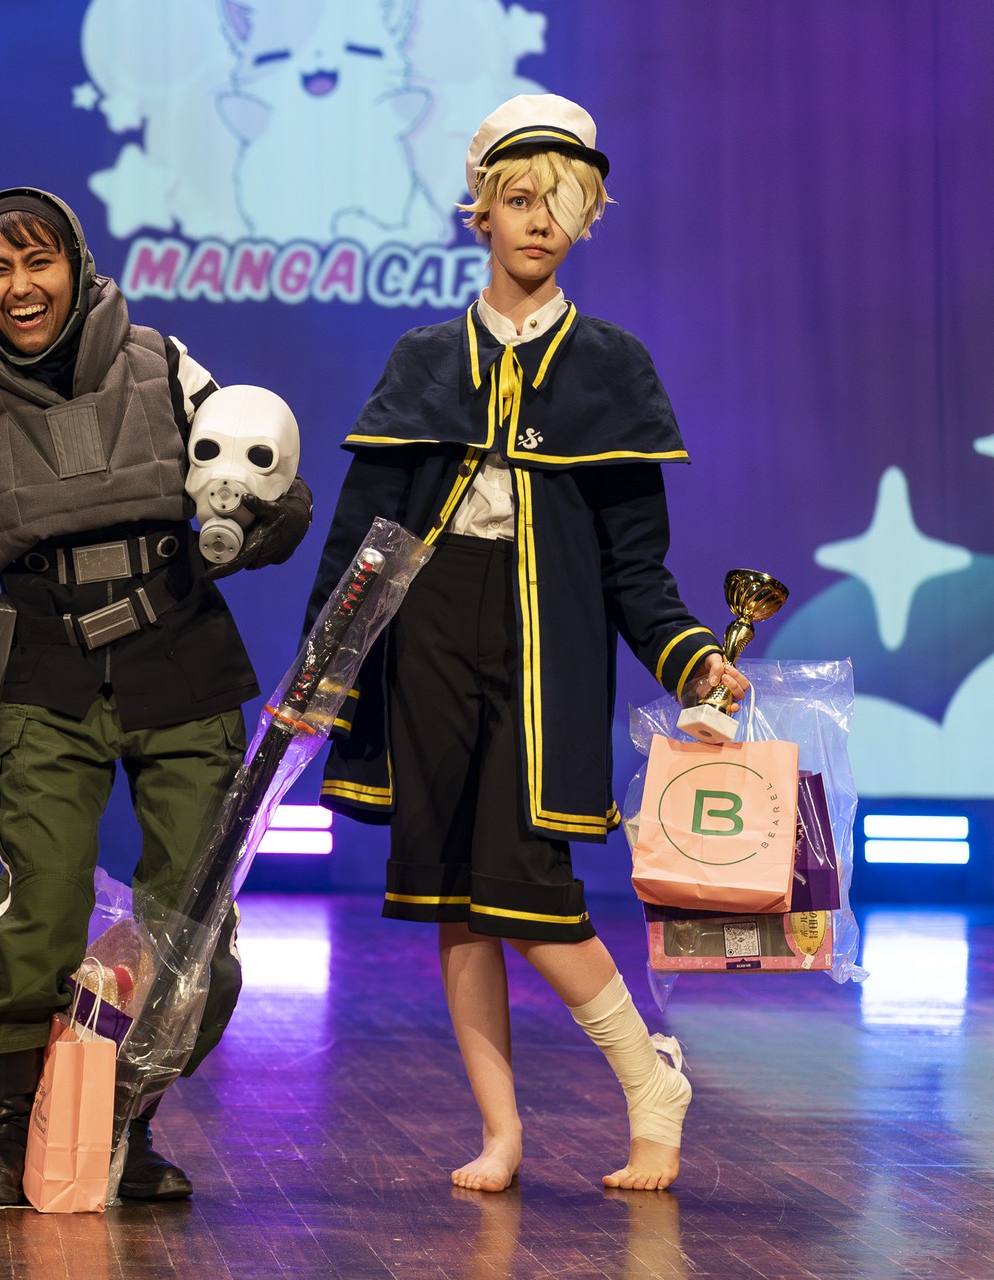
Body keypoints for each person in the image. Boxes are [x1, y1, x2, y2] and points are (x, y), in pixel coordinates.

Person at [307, 96, 749, 1194]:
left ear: (586, 217)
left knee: (529, 886)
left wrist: (692, 656)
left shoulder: (611, 366)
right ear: (483, 214)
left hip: (547, 645)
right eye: (518, 199)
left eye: (561, 202)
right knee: (455, 895)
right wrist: (324, 671)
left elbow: (637, 568)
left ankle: (650, 1077)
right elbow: (364, 539)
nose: (539, 220)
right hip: (429, 634)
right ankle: (502, 1133)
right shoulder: (423, 358)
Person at [0, 188, 312, 1204]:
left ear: (78, 263)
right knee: (43, 909)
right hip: (47, 671)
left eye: (39, 261)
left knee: (193, 928)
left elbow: (272, 489)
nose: (21, 286)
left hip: (179, 661)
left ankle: (119, 1122)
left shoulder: (162, 364)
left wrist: (259, 524)